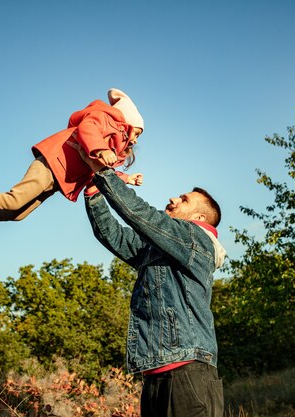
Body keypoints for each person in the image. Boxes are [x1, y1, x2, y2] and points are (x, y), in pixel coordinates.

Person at [81, 152, 226, 417]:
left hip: (188, 373)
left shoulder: (196, 239)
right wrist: (93, 193)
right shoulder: (161, 248)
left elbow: (140, 215)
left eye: (184, 200)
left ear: (199, 219)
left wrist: (104, 172)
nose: (173, 199)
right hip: (157, 374)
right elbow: (113, 235)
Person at [0, 88, 144, 242]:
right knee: (15, 200)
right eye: (137, 133)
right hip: (52, 163)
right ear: (127, 121)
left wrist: (126, 178)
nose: (135, 140)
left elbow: (102, 171)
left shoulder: (112, 147)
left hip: (59, 180)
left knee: (18, 214)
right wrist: (100, 150)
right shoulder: (104, 119)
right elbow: (87, 129)